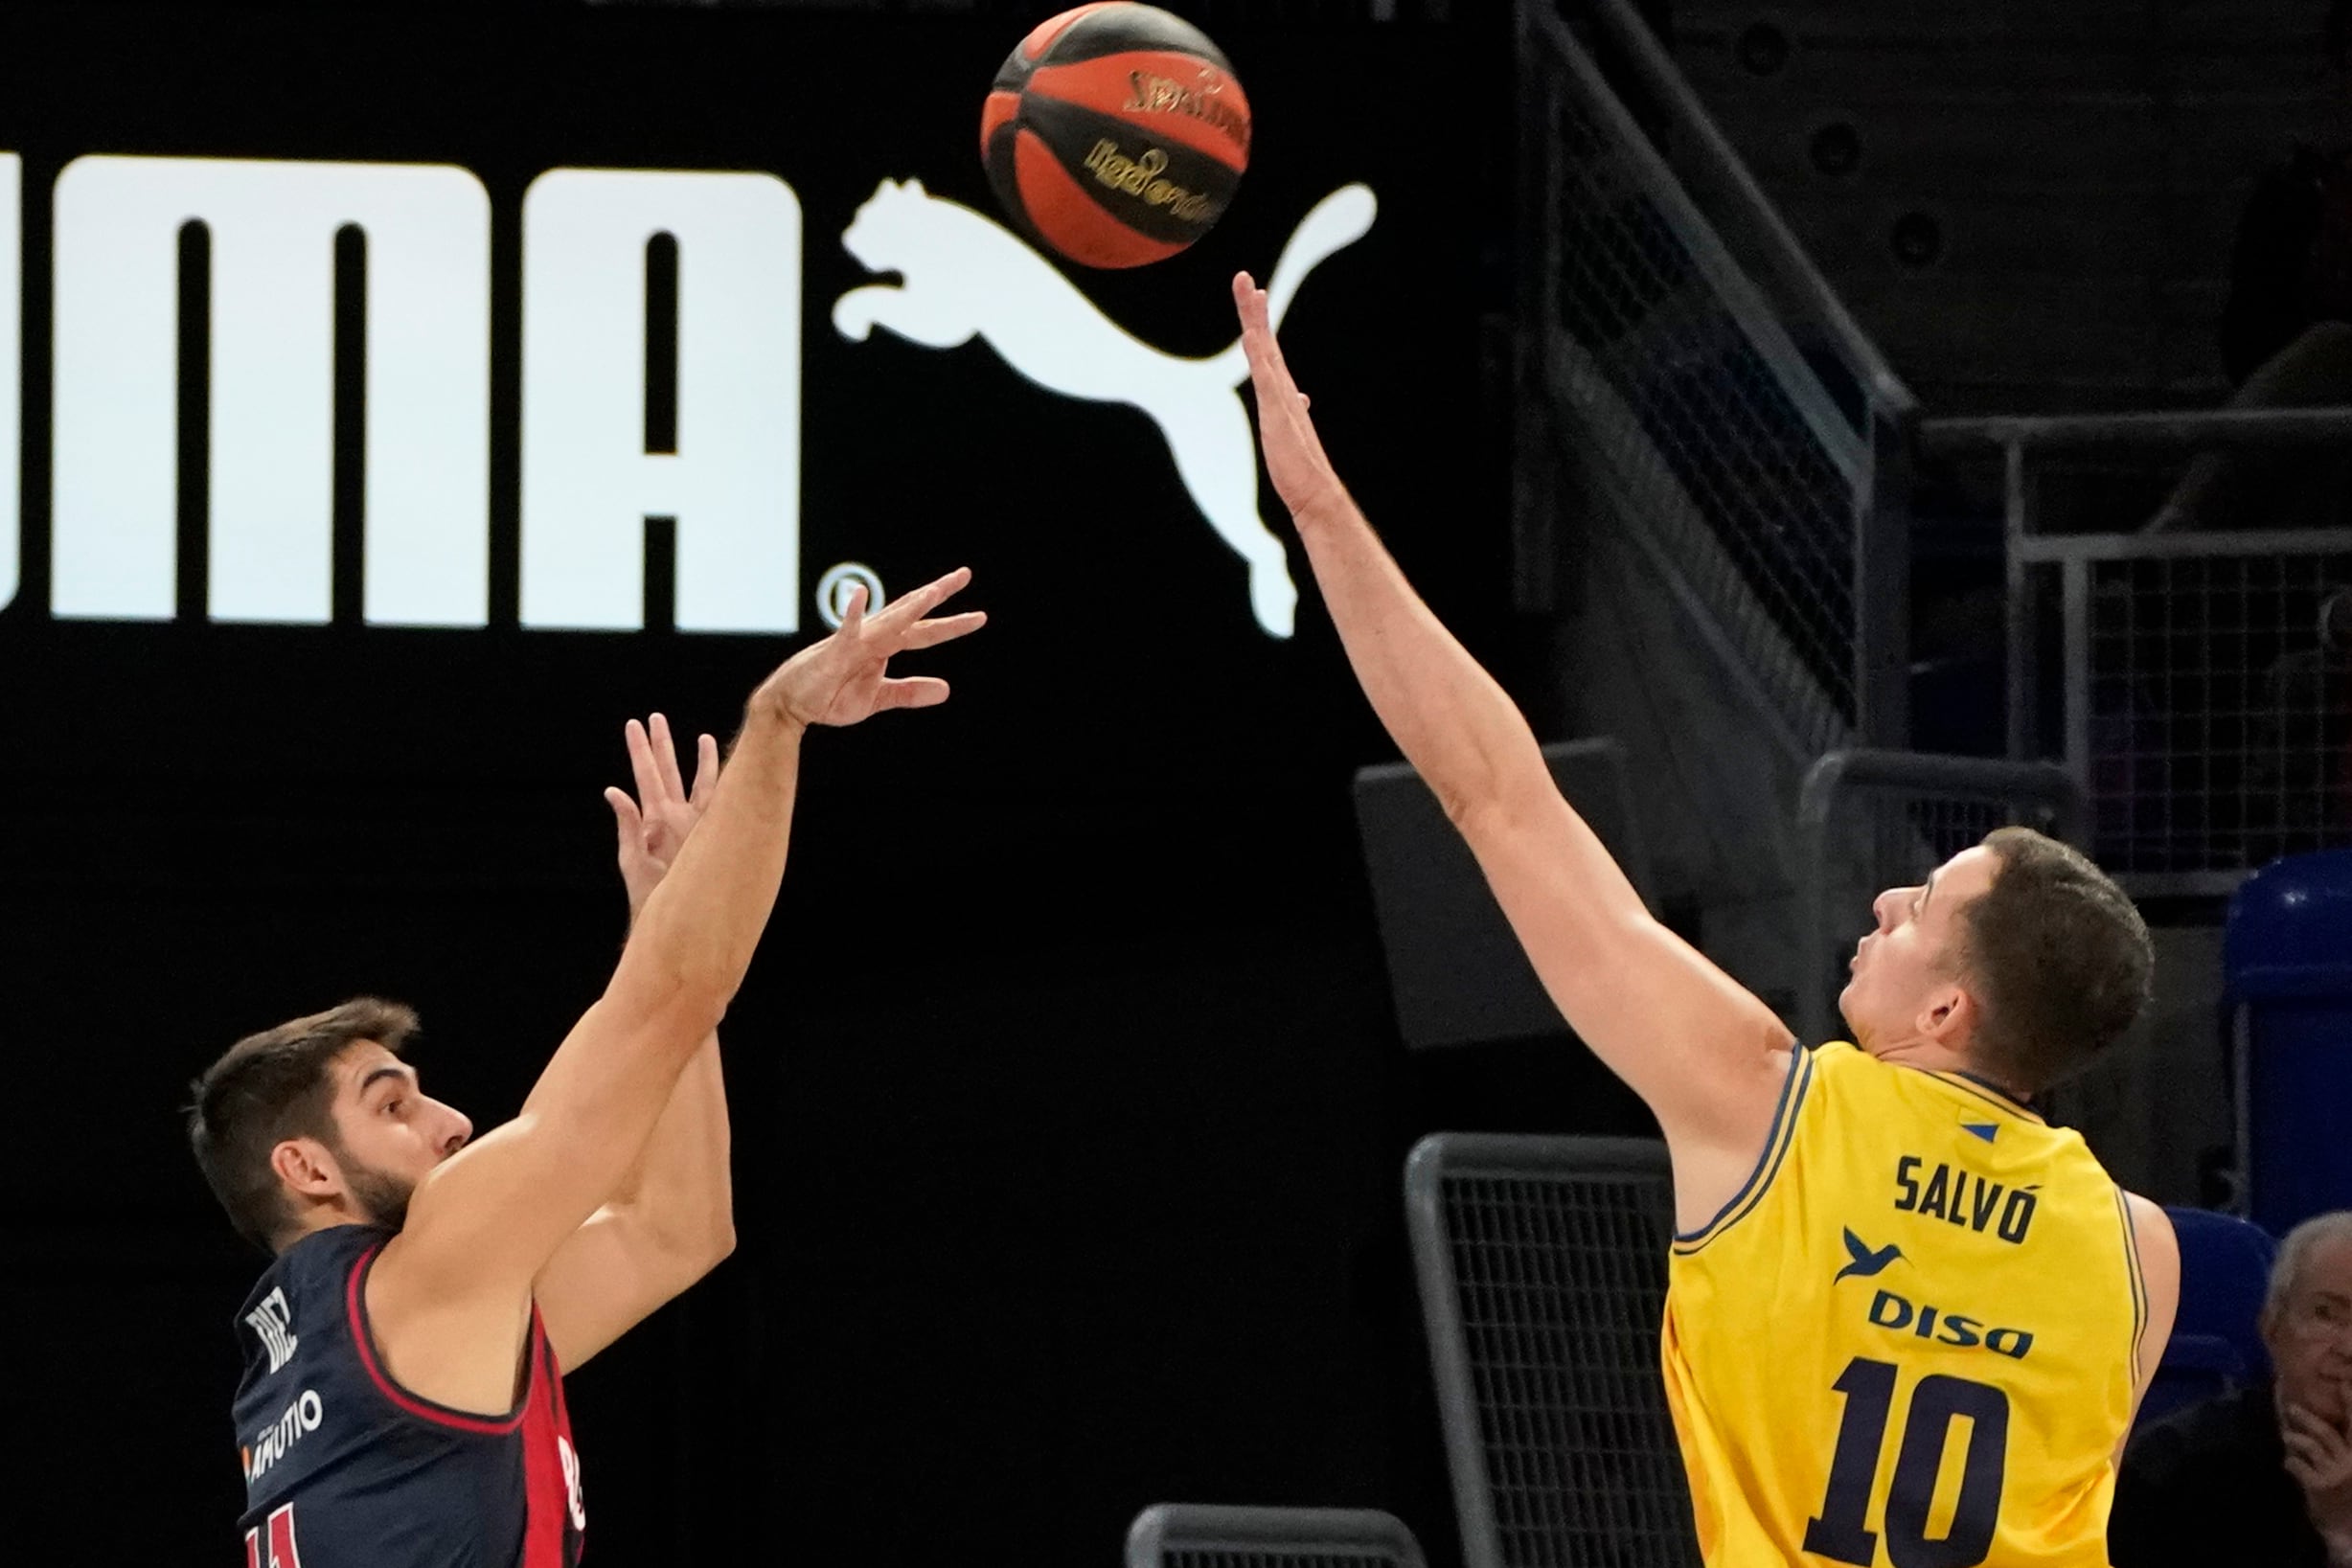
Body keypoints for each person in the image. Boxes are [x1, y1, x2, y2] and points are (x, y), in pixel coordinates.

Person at [1231, 273, 2181, 1564]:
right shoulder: (2137, 1253)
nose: (1886, 897)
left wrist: (1320, 509)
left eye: (1921, 908)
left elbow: (1496, 798)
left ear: (1949, 1009)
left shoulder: (1766, 1106)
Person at [187, 571, 982, 1567]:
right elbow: (673, 995)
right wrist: (776, 722)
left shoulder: (333, 1350)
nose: (451, 1121)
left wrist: (668, 912)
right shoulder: (427, 1269)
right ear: (308, 1167)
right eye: (392, 1104)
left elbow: (676, 1229)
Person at [2110, 1212, 2352, 1566]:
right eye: (2326, 1314)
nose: (2348, 1348)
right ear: (2272, 1329)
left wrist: (2345, 1537)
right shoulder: (2170, 1470)